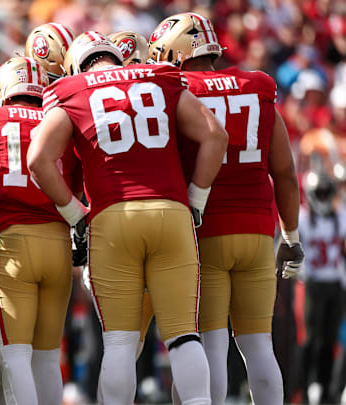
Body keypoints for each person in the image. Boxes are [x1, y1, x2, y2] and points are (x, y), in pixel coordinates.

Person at [27, 31, 228, 404]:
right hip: (171, 210)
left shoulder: (72, 90)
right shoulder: (159, 77)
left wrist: (75, 214)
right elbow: (215, 135)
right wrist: (196, 198)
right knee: (184, 335)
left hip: (112, 218)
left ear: (77, 66)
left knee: (119, 340)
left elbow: (38, 159)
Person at [149, 12, 304, 404]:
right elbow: (284, 172)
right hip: (257, 231)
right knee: (259, 348)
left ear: (175, 52)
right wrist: (291, 236)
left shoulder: (178, 88)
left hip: (207, 229)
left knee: (212, 346)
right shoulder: (257, 86)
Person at [0, 56, 82, 405]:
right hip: (58, 244)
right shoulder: (63, 118)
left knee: (13, 355)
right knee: (45, 357)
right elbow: (74, 184)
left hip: (11, 243)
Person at [297, 171, 344, 404]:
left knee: (329, 340)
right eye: (320, 192)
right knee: (310, 339)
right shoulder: (303, 219)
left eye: (327, 192)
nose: (324, 196)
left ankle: (325, 391)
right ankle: (304, 390)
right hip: (313, 283)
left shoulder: (341, 217)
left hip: (335, 284)